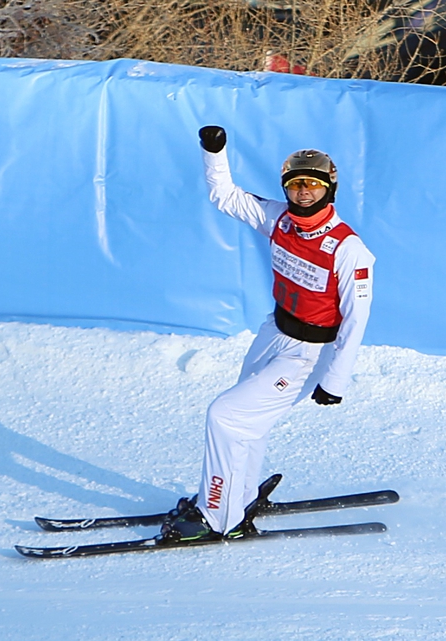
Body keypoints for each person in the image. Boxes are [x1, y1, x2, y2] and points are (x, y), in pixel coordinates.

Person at [161, 126, 376, 542]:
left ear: (330, 188)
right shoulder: (279, 219)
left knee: (224, 416)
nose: (304, 193)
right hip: (273, 333)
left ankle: (219, 516)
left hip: (309, 353)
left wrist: (334, 380)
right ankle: (236, 497)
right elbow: (225, 196)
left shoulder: (349, 249)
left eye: (313, 184)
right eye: (296, 185)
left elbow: (355, 319)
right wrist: (214, 151)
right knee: (248, 422)